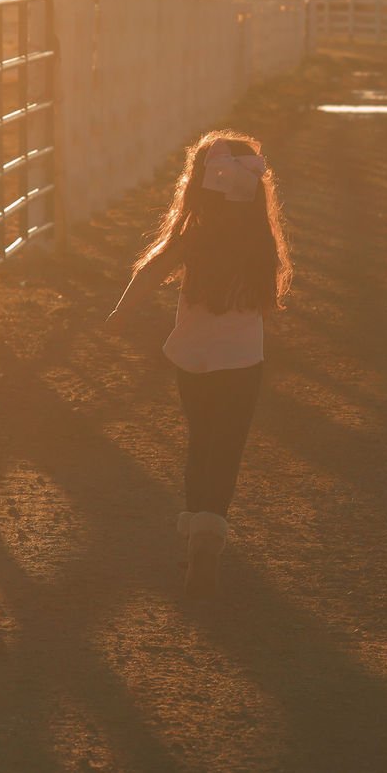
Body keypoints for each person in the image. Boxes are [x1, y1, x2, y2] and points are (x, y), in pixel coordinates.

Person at [108, 131, 292, 598]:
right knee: (227, 447)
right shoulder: (259, 239)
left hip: (192, 356)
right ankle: (210, 532)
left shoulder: (195, 234)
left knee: (200, 440)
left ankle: (194, 535)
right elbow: (269, 296)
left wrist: (122, 311)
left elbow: (151, 269)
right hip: (243, 360)